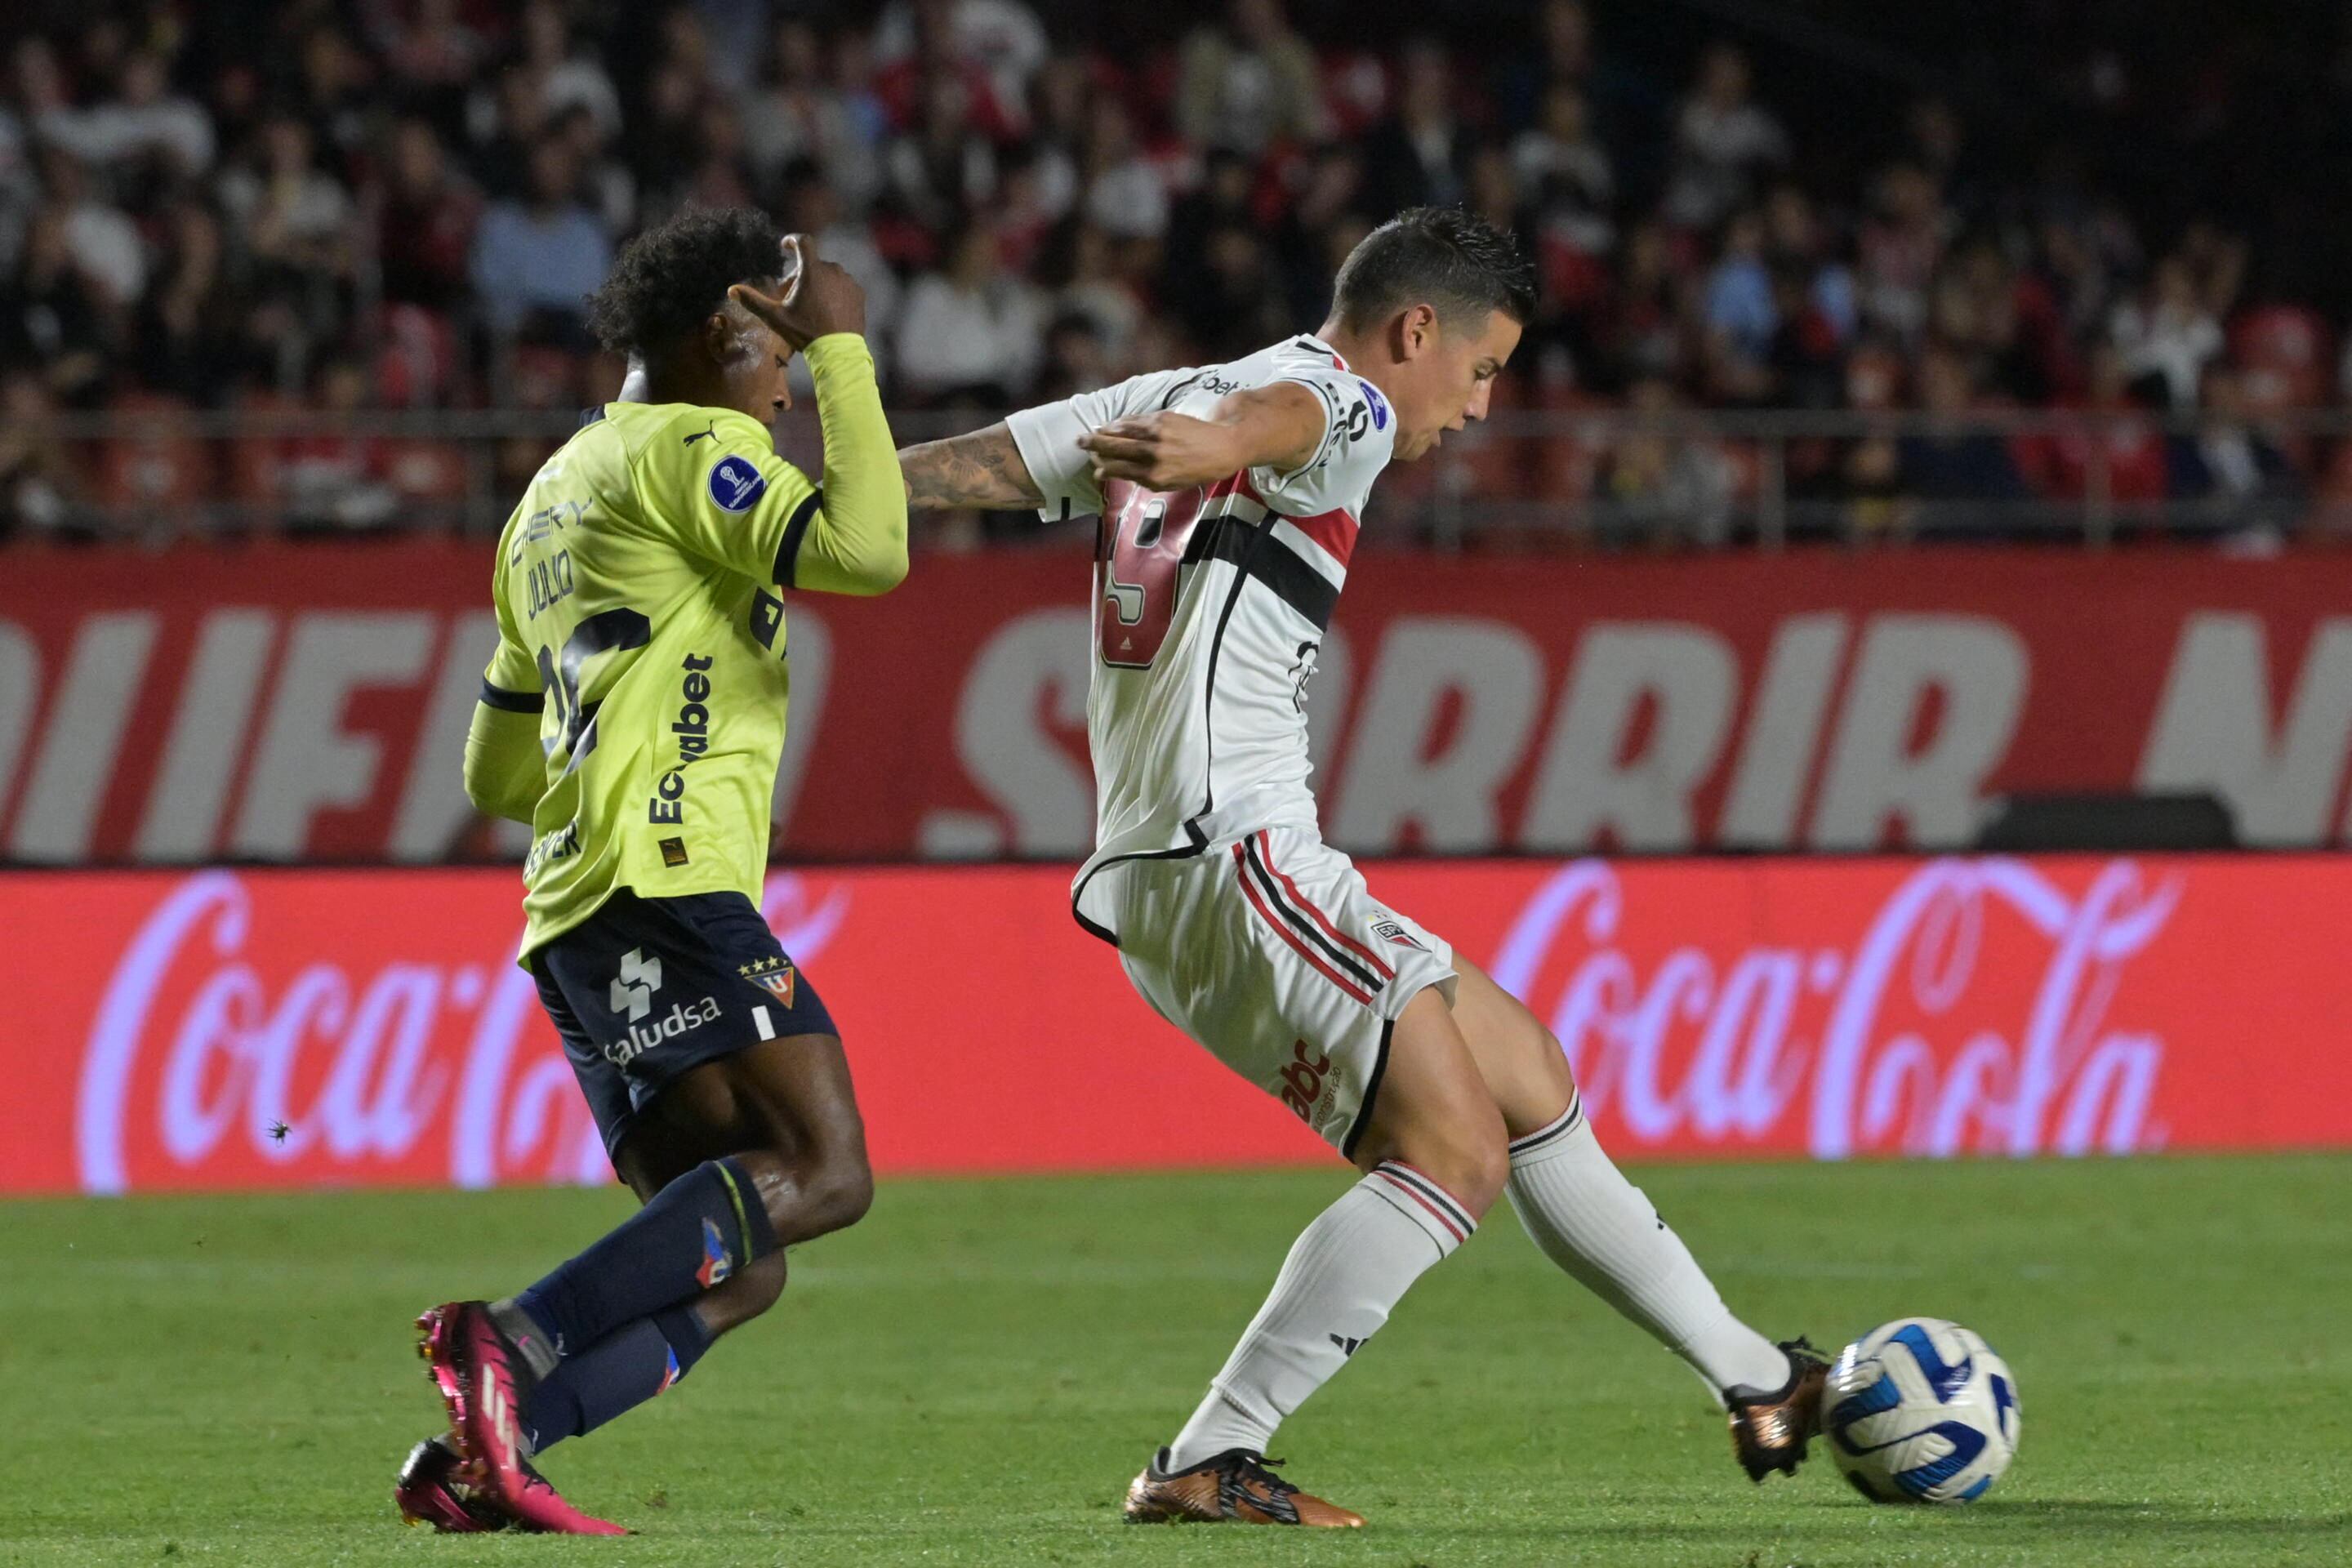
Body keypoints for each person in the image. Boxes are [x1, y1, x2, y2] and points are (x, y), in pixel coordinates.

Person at [894, 206, 1824, 1527]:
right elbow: (1299, 420)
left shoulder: (1172, 391)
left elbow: (992, 462)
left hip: (1212, 858)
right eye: (1486, 368)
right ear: (1415, 330)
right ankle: (1209, 1458)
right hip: (1235, 854)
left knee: (1524, 1077)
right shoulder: (1343, 404)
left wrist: (827, 490)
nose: (1485, 408)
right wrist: (1228, 442)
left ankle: (1754, 1376)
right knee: (1453, 1156)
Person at [399, 209, 906, 1534]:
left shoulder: (545, 501)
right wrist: (852, 349)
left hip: (574, 909)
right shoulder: (694, 445)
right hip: (662, 885)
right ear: (717, 333)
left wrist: (638, 738)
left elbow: (496, 780)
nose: (787, 376)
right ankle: (507, 1341)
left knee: (743, 1257)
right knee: (826, 1168)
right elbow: (870, 552)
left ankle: (487, 1456)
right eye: (776, 348)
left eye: (803, 353)